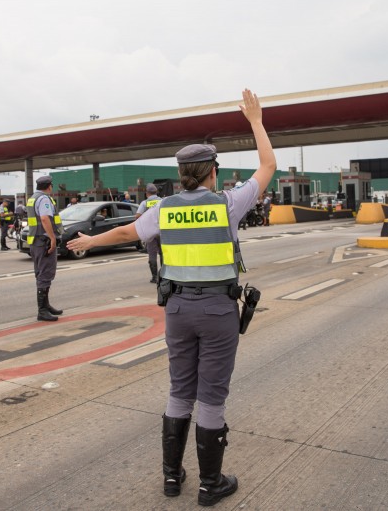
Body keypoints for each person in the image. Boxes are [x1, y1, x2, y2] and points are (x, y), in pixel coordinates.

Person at [67, 89, 275, 506]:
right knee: (212, 396)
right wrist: (255, 120)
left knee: (180, 391)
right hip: (217, 310)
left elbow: (127, 232)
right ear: (212, 171)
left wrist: (90, 241)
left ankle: (171, 478)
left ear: (183, 174)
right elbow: (268, 165)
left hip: (177, 310)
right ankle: (210, 485)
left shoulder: (164, 209)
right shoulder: (227, 204)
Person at [27, 175, 64, 321]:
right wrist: (52, 238)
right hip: (44, 242)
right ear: (49, 186)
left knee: (41, 273)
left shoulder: (32, 198)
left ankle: (46, 305)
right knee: (45, 274)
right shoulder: (44, 199)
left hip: (35, 241)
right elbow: (44, 218)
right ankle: (42, 310)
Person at [135, 183, 162, 283]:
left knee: (152, 254)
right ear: (156, 192)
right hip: (161, 232)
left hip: (150, 232)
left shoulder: (144, 203)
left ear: (147, 193)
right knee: (163, 254)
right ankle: (164, 276)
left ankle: (154, 277)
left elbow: (137, 216)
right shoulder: (162, 201)